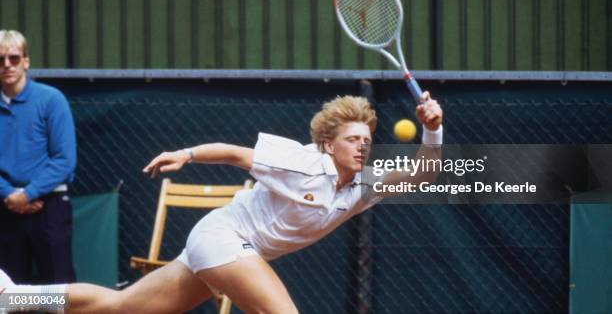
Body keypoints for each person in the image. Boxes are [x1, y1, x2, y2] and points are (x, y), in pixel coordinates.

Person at [0, 93, 443, 313]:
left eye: (367, 140)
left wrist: (432, 130)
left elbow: (426, 172)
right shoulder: (301, 162)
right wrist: (187, 154)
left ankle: (12, 299)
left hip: (227, 252)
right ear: (329, 146)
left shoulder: (367, 183)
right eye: (352, 140)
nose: (363, 147)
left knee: (120, 308)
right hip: (224, 238)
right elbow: (235, 153)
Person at [0, 30, 77, 285]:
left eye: (13, 58)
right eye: (0, 60)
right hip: (5, 207)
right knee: (9, 295)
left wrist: (28, 194)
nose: (7, 65)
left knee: (57, 290)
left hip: (49, 206)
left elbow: (64, 159)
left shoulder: (51, 100)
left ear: (26, 61)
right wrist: (10, 195)